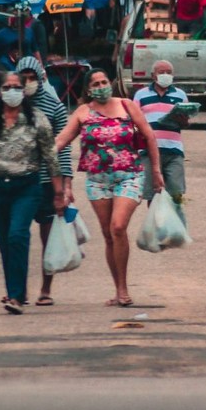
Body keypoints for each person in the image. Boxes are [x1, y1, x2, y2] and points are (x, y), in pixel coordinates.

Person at [55, 68, 163, 307]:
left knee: (118, 227)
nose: (102, 86)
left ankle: (124, 289)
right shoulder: (83, 112)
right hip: (97, 180)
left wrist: (156, 171)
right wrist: (41, 154)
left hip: (130, 175)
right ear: (89, 89)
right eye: (96, 83)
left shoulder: (126, 105)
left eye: (105, 82)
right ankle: (118, 289)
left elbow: (149, 136)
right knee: (108, 234)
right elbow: (62, 141)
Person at [0, 72, 64, 315]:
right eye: (7, 87)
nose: (12, 91)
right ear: (0, 91)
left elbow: (51, 157)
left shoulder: (37, 119)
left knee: (18, 235)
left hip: (26, 186)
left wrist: (59, 192)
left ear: (24, 90)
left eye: (17, 87)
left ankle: (16, 296)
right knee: (6, 241)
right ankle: (16, 291)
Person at [16, 56, 73, 307]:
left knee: (47, 237)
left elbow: (65, 150)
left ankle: (46, 287)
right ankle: (17, 289)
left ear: (40, 79)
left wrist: (65, 186)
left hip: (46, 181)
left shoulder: (54, 107)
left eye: (32, 78)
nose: (28, 83)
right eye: (23, 78)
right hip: (16, 180)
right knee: (16, 236)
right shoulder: (8, 107)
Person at [133, 60, 190, 221]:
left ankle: (175, 224)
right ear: (153, 75)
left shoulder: (179, 95)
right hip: (148, 152)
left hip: (173, 150)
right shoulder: (141, 95)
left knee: (176, 191)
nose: (165, 75)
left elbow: (185, 123)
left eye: (169, 72)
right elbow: (135, 120)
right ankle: (156, 223)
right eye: (161, 72)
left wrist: (182, 119)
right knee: (153, 192)